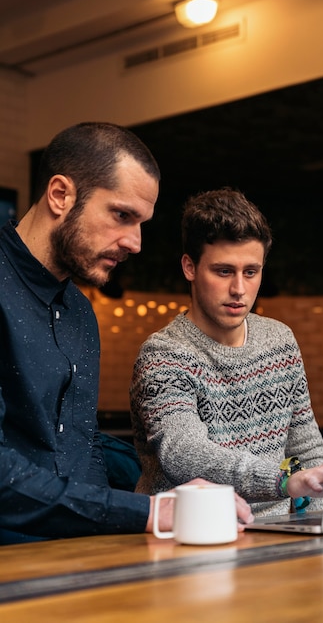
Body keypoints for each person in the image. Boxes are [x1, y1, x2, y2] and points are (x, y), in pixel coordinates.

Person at [0, 124, 253, 544]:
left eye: (141, 223)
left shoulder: (80, 311)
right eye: (122, 215)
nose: (135, 243)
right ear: (60, 195)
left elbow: (82, 452)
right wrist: (151, 511)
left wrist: (162, 498)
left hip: (83, 557)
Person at [130, 187, 323, 518]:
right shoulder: (163, 354)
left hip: (275, 536)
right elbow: (184, 453)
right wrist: (283, 482)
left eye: (250, 272)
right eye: (224, 271)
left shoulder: (279, 339)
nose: (239, 288)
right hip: (189, 534)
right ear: (189, 267)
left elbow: (306, 449)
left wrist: (322, 523)